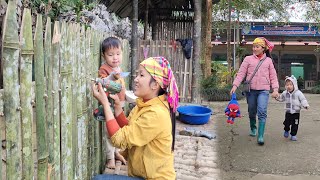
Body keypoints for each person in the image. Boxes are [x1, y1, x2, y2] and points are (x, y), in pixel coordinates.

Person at [92, 57, 178, 179]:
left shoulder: (156, 114)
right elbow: (130, 128)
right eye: (137, 74)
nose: (136, 79)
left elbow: (119, 139)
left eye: (141, 75)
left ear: (155, 84)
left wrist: (105, 103)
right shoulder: (143, 104)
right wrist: (117, 108)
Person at [230, 37, 279, 145]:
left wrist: (275, 89)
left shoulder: (268, 61)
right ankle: (253, 127)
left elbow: (273, 76)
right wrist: (235, 85)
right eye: (253, 46)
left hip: (264, 90)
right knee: (252, 111)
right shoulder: (248, 59)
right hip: (250, 90)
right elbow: (241, 73)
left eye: (257, 47)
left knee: (262, 111)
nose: (254, 49)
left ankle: (261, 136)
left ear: (263, 48)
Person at [97, 37, 127, 170]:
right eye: (110, 55)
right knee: (110, 133)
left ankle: (116, 153)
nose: (115, 58)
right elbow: (103, 83)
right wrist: (113, 77)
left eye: (118, 54)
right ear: (104, 55)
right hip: (109, 106)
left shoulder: (118, 68)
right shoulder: (104, 69)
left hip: (119, 105)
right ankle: (110, 159)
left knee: (117, 130)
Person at [275, 75, 309, 141]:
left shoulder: (298, 93)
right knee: (287, 123)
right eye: (287, 85)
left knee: (295, 124)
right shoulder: (285, 93)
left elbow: (303, 99)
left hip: (296, 112)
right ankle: (286, 130)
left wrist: (305, 105)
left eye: (291, 85)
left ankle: (293, 135)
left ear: (294, 85)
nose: (289, 86)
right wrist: (277, 97)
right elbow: (281, 98)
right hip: (288, 112)